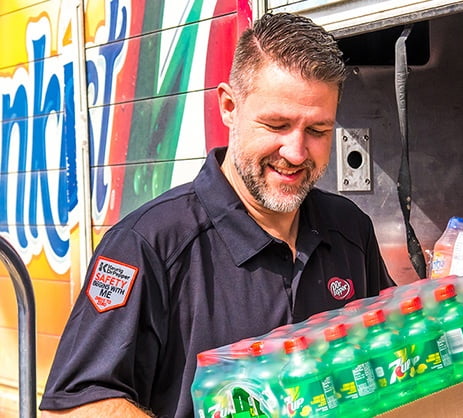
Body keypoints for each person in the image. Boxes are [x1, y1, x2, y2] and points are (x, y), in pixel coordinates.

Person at [40, 12, 395, 417]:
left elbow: (386, 350)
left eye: (317, 131)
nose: (296, 153)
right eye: (277, 124)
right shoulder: (148, 246)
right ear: (229, 106)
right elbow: (73, 406)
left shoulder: (350, 228)